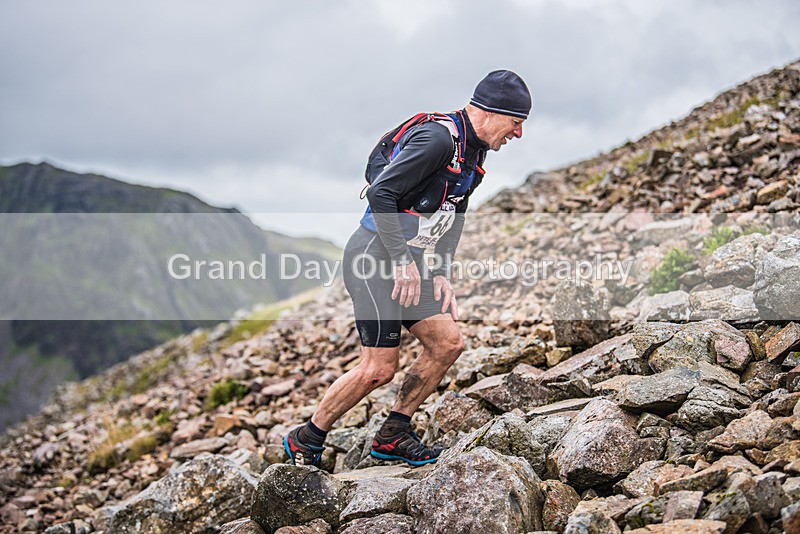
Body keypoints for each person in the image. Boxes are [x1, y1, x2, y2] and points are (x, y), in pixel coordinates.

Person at [284, 70, 532, 467]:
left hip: (410, 262)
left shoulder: (474, 151)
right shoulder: (437, 140)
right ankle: (306, 438)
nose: (518, 134)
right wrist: (402, 262)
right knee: (378, 369)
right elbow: (382, 192)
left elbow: (455, 214)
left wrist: (440, 272)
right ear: (490, 113)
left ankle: (394, 434)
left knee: (447, 343)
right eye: (516, 123)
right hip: (372, 259)